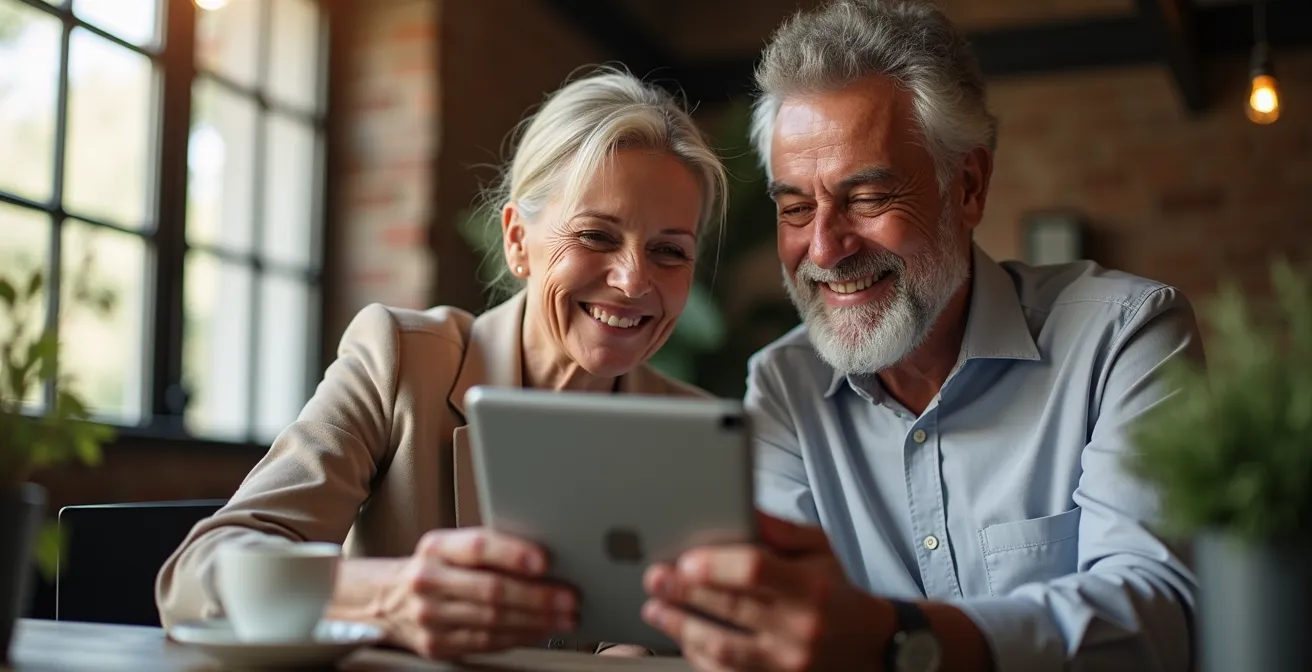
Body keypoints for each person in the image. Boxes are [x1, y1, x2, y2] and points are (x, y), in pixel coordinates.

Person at [639, 2, 1200, 670]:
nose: (825, 248)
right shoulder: (783, 387)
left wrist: (898, 638)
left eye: (868, 199)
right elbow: (765, 618)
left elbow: (1155, 618)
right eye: (794, 208)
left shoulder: (1124, 337)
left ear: (967, 186)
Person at [156, 67, 727, 660]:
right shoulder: (400, 360)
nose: (634, 280)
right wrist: (387, 597)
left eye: (669, 251)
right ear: (516, 241)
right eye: (596, 236)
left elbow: (665, 638)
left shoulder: (694, 430)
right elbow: (198, 576)